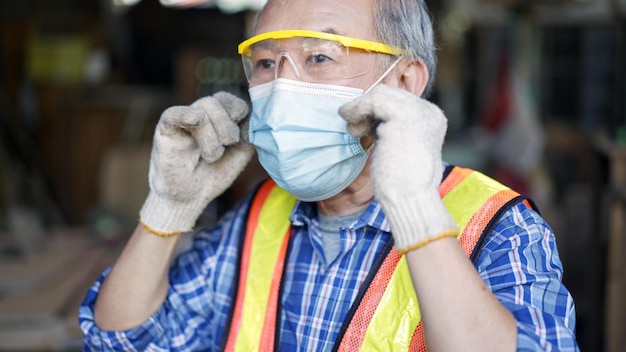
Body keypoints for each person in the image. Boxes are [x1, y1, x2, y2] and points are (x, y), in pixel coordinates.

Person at [79, 0, 579, 350]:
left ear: (405, 82)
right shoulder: (257, 220)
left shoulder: (498, 228)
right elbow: (120, 339)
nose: (282, 86)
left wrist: (417, 211)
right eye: (266, 62)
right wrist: (166, 210)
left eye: (320, 57)